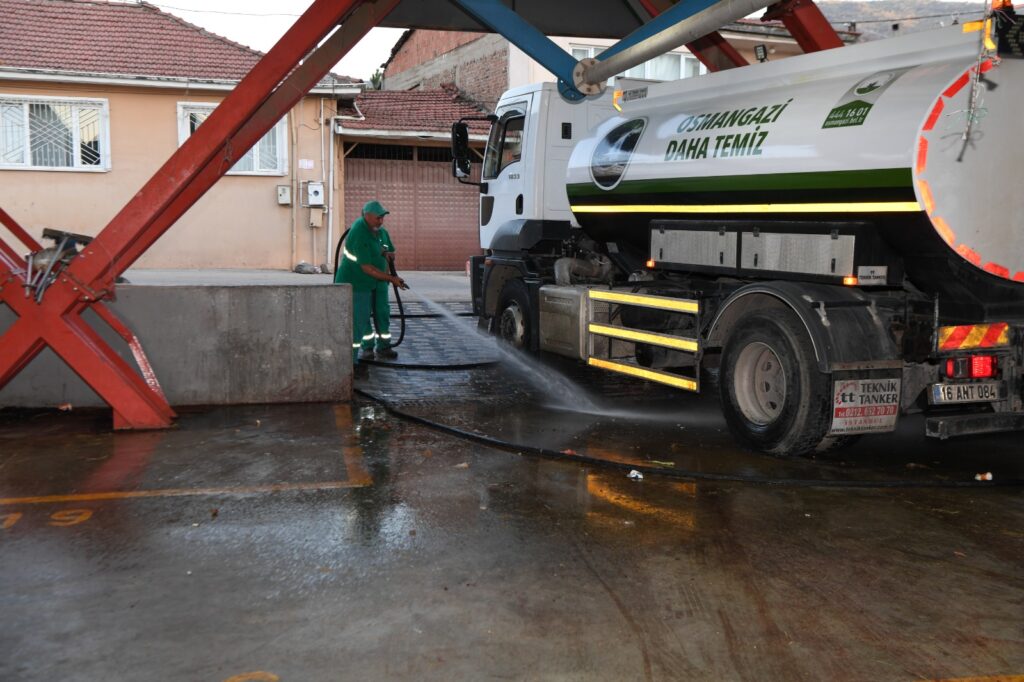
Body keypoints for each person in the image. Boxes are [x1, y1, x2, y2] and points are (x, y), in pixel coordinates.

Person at [335, 200, 406, 375]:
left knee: (381, 312)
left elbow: (389, 250)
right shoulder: (359, 233)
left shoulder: (380, 232)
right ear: (366, 216)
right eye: (377, 218)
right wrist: (392, 278)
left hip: (377, 280)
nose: (380, 221)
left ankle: (383, 346)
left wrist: (388, 256)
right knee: (359, 319)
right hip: (356, 282)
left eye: (382, 217)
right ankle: (350, 363)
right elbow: (366, 268)